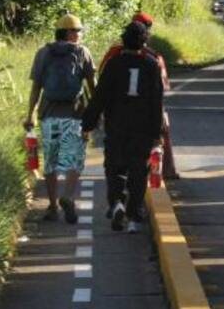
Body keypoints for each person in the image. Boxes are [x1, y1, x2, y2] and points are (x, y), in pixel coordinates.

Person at [82, 21, 164, 233]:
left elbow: (99, 97)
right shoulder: (151, 65)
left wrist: (88, 124)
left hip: (117, 125)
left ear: (123, 40)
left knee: (114, 167)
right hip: (143, 128)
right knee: (138, 171)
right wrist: (157, 133)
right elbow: (157, 102)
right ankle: (133, 214)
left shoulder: (114, 63)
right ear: (144, 41)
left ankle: (116, 202)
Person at [24, 14, 97, 224]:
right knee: (74, 157)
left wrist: (31, 114)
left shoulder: (43, 53)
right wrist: (96, 112)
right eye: (79, 30)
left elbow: (36, 87)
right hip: (75, 116)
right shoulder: (82, 52)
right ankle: (68, 196)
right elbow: (93, 86)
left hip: (49, 116)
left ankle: (53, 206)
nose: (80, 34)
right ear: (71, 33)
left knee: (52, 160)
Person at [99, 12, 178, 181]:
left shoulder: (113, 54)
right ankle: (165, 171)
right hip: (142, 118)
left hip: (116, 116)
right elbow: (161, 89)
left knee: (115, 155)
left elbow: (102, 82)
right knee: (161, 132)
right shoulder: (154, 57)